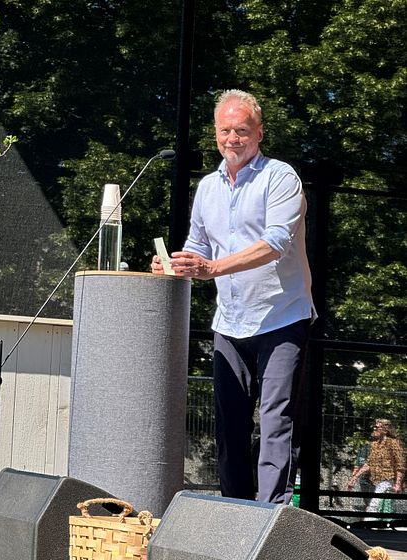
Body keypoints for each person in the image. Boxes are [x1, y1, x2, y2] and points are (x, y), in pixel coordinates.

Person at [151, 89, 315, 504]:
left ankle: (269, 516)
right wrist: (177, 264)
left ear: (259, 133)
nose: (233, 138)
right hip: (230, 321)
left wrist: (212, 269)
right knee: (229, 424)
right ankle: (235, 512)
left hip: (283, 317)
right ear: (215, 133)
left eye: (242, 130)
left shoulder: (281, 177)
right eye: (225, 130)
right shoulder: (207, 187)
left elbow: (275, 243)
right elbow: (198, 246)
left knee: (276, 420)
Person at [347, 419, 405, 518]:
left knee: (373, 506)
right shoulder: (375, 445)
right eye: (374, 427)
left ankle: (368, 528)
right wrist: (353, 479)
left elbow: (400, 465)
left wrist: (398, 484)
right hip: (376, 481)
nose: (374, 429)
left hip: (387, 480)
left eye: (377, 427)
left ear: (385, 430)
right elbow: (368, 464)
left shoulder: (393, 443)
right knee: (383, 509)